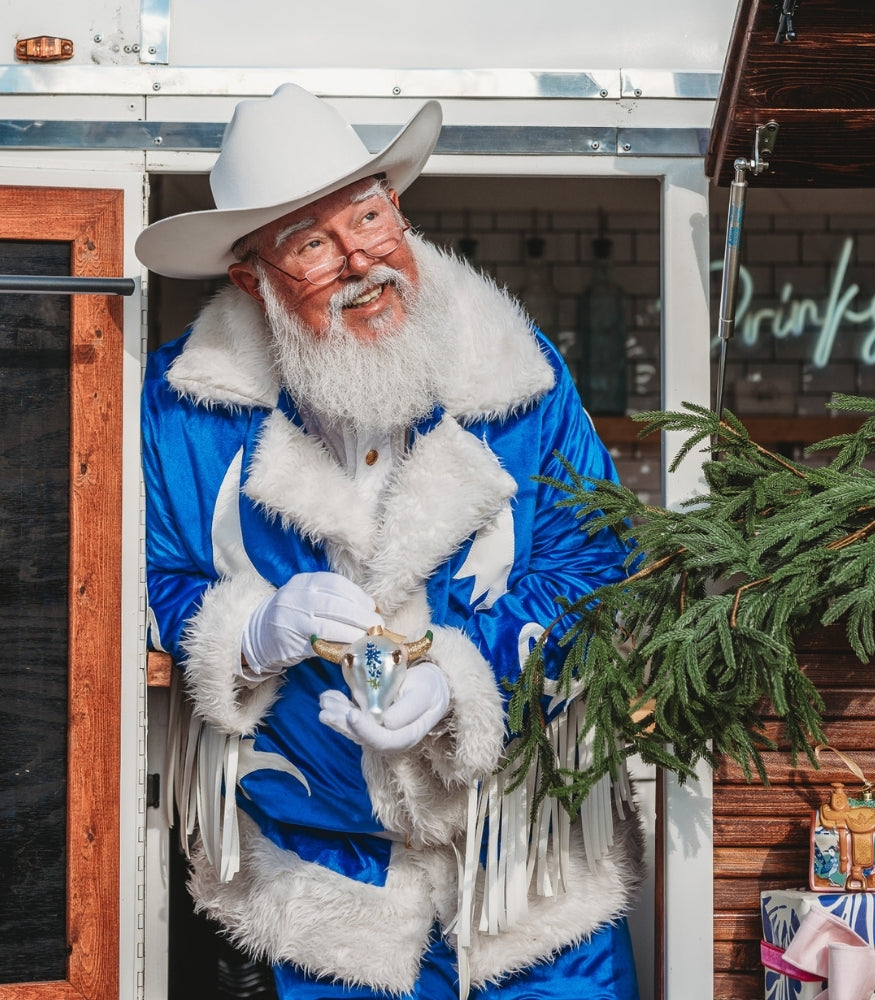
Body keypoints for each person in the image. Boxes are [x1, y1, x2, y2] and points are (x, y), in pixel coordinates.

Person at [136, 83, 644, 1000]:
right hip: (323, 890)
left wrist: (461, 676)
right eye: (310, 243)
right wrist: (250, 634)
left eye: (368, 217)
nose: (360, 260)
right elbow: (159, 575)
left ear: (396, 205)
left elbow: (595, 562)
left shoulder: (519, 372)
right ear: (253, 277)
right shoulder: (188, 403)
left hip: (525, 868)